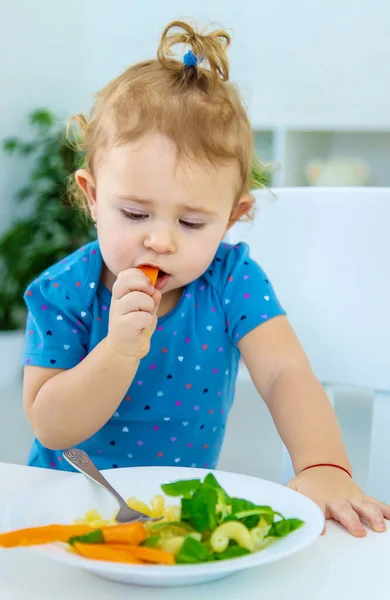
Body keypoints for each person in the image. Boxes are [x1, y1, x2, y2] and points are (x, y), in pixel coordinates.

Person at [22, 20, 389, 537]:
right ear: (92, 196)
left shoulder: (230, 280)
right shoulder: (62, 292)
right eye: (134, 213)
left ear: (232, 217)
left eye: (192, 223)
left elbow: (284, 373)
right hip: (65, 509)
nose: (161, 241)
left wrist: (323, 467)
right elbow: (51, 426)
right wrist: (119, 350)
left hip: (175, 514)